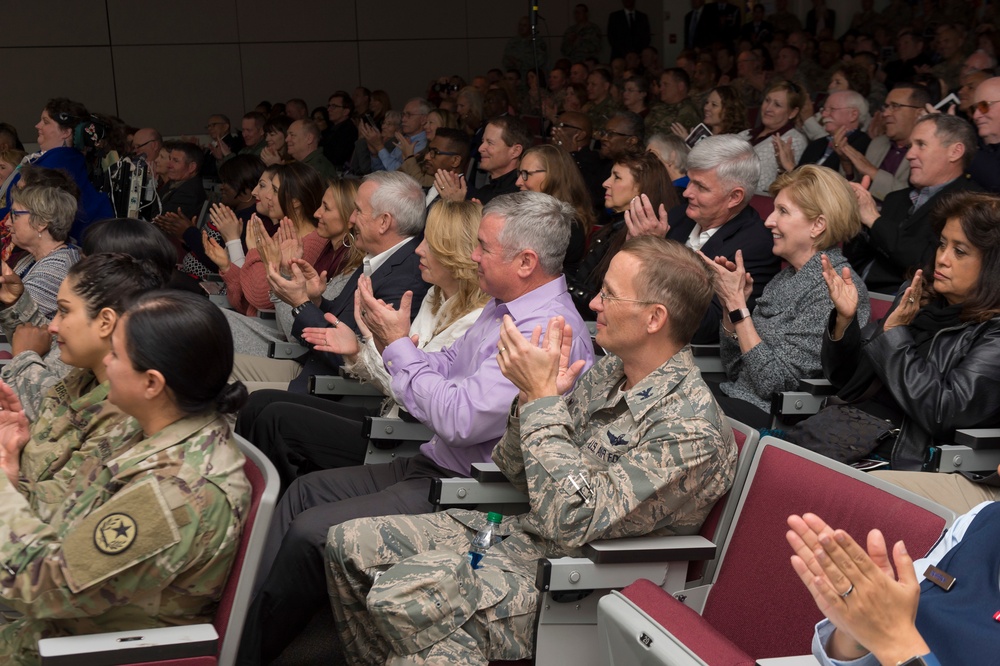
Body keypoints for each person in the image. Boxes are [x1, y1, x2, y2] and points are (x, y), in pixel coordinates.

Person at [324, 236, 737, 664]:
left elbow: (574, 519)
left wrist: (543, 402)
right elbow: (515, 470)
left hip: (580, 580)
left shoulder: (689, 427)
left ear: (654, 318)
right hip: (519, 534)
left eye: (610, 294)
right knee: (347, 543)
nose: (593, 303)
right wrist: (529, 402)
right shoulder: (610, 373)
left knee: (417, 611)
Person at [234, 191, 594, 665]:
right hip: (434, 463)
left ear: (526, 261)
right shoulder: (503, 306)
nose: (473, 256)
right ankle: (239, 618)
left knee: (311, 531)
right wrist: (393, 344)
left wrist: (400, 347)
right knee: (301, 493)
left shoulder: (543, 331)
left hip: (472, 493)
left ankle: (245, 653)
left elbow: (459, 419)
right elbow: (445, 364)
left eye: (483, 247)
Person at [0, 288, 250, 665]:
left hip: (66, 647)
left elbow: (41, 587)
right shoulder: (145, 427)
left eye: (115, 354)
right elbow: (68, 515)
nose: (105, 361)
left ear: (152, 383)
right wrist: (10, 474)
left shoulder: (173, 495)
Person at [236, 200, 488, 489]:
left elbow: (415, 394)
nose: (418, 249)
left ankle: (264, 506)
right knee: (259, 403)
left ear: (454, 254)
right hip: (385, 412)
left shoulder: (474, 320)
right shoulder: (435, 296)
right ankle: (250, 505)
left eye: (430, 244)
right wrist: (363, 347)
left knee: (275, 420)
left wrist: (363, 348)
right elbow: (399, 373)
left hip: (404, 434)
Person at [809, 190, 1000, 473]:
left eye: (959, 251)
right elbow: (848, 381)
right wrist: (844, 321)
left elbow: (945, 411)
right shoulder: (919, 298)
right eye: (942, 244)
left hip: (905, 458)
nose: (942, 259)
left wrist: (895, 334)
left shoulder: (993, 333)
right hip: (849, 434)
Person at [701, 166, 870, 428]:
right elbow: (735, 369)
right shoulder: (786, 278)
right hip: (737, 396)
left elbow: (774, 384)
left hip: (771, 416)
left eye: (782, 211)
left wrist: (739, 308)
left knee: (670, 402)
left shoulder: (837, 289)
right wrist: (729, 306)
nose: (768, 221)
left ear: (818, 225)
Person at [0, 217, 177, 423]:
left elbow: (57, 416)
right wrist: (16, 304)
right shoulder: (107, 342)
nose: (76, 268)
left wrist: (24, 358)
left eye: (86, 261)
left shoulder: (123, 372)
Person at [787, 497, 1000, 666]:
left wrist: (894, 644)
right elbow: (845, 652)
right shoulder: (983, 518)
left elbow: (892, 633)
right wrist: (859, 632)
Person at [209, 178, 363, 360]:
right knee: (205, 318)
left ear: (349, 218)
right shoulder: (326, 249)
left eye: (326, 208)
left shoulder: (349, 268)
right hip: (286, 341)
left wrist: (278, 269)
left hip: (301, 356)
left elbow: (293, 330)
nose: (316, 213)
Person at [567, 150, 676, 316]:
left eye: (617, 177)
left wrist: (556, 281)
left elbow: (611, 303)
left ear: (641, 188)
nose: (606, 183)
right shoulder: (613, 227)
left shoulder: (640, 236)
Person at [219, 162, 326, 316]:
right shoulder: (283, 235)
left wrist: (255, 251)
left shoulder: (308, 244)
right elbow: (247, 301)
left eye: (275, 190)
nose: (268, 196)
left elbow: (261, 300)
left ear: (295, 201)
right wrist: (226, 267)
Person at [0, 99, 113, 242]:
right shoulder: (53, 159)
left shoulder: (59, 164)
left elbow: (28, 211)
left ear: (66, 132)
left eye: (45, 122)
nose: (37, 126)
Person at [514, 144, 596, 273]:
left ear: (552, 176)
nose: (518, 182)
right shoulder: (523, 213)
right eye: (519, 173)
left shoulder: (569, 225)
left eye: (526, 174)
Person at [8, 184, 81, 319]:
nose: (7, 223)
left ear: (41, 223)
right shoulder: (34, 257)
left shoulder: (56, 270)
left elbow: (15, 317)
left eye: (15, 215)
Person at [739, 80, 807, 196]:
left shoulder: (794, 140)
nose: (768, 108)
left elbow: (781, 184)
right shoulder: (746, 134)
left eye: (777, 105)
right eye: (767, 101)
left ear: (793, 113)